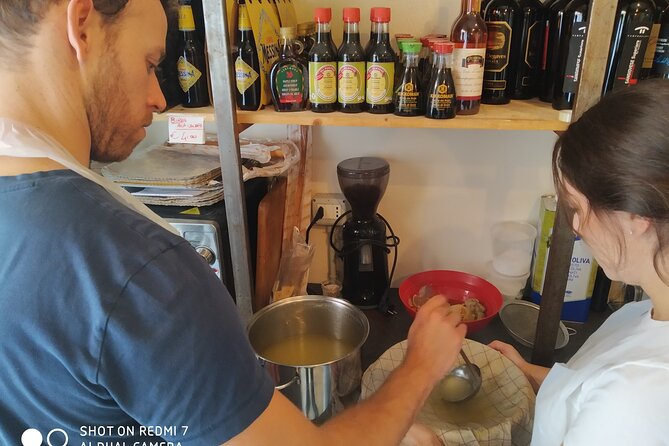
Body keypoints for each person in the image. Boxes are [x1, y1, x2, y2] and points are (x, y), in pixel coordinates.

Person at [0, 1, 465, 445]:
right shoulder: (138, 268)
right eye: (149, 64)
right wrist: (421, 366)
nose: (159, 98)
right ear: (81, 25)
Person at [491, 79, 669, 446]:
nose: (575, 226)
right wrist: (530, 375)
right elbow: (592, 392)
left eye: (578, 208)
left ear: (635, 215)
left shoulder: (638, 401)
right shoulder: (653, 307)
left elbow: (616, 403)